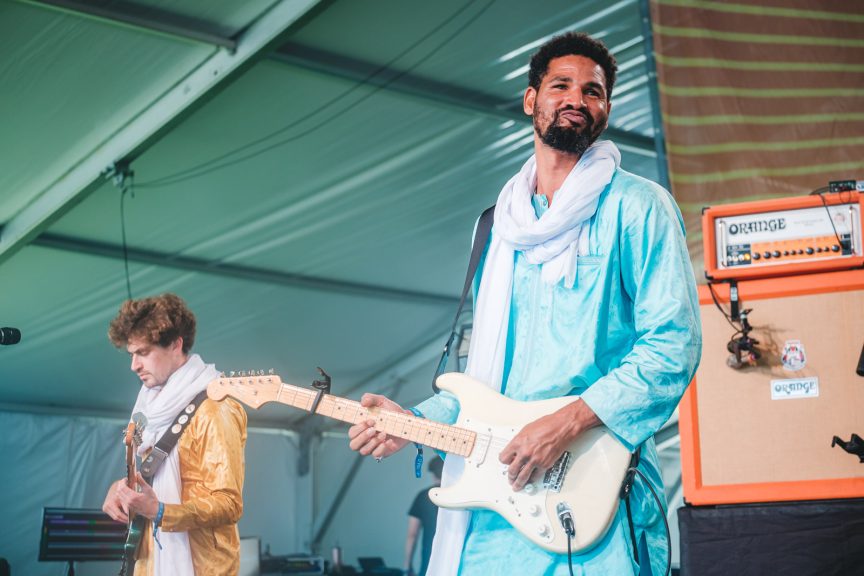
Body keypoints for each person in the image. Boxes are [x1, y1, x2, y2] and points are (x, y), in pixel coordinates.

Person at [348, 31, 701, 576]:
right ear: (531, 100)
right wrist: (413, 421)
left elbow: (673, 346)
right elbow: (485, 387)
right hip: (495, 516)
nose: (577, 100)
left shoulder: (640, 208)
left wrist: (566, 423)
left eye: (594, 91)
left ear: (605, 109)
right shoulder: (495, 227)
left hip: (596, 497)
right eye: (561, 85)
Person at [102, 293, 247, 576]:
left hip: (201, 567)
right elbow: (150, 477)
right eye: (132, 354)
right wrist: (122, 489)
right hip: (148, 565)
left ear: (175, 344)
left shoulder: (215, 409)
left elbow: (229, 504)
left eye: (143, 352)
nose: (134, 365)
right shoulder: (146, 407)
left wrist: (159, 511)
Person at [404, 457, 444, 576]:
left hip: (429, 563)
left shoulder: (423, 497)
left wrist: (407, 567)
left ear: (433, 474)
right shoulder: (462, 497)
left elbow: (412, 535)